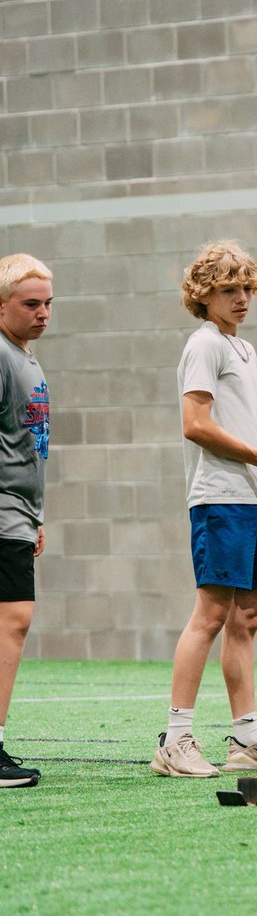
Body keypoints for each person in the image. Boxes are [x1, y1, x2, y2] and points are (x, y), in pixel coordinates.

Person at [153, 242, 257, 777]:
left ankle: (246, 738)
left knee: (247, 617)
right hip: (219, 497)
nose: (242, 298)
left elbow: (244, 424)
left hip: (251, 496)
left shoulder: (240, 348)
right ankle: (175, 739)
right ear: (204, 295)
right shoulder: (204, 345)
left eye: (246, 288)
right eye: (228, 290)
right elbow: (195, 425)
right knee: (212, 614)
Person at [0, 254, 53, 788]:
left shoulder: (24, 355)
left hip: (18, 511)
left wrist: (34, 515)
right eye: (30, 304)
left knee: (12, 619)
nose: (42, 313)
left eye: (47, 304)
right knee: (13, 618)